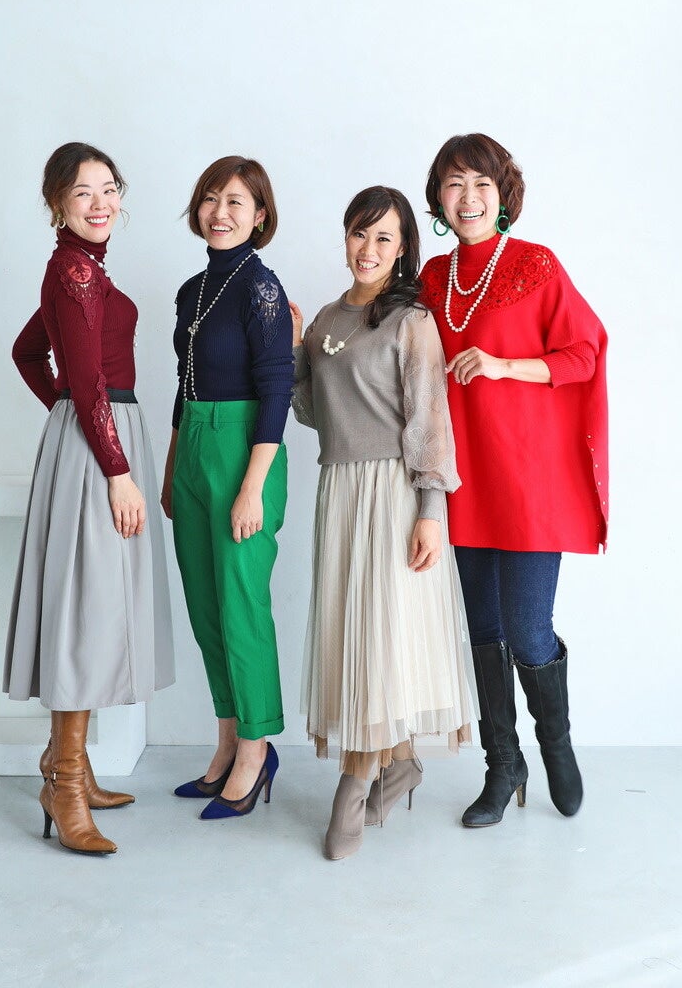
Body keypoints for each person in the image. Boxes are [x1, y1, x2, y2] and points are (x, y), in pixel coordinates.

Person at [420, 132, 607, 827]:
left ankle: (555, 745)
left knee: (528, 632)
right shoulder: (433, 278)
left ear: (502, 195)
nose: (467, 197)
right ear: (438, 198)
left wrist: (502, 366)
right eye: (453, 183)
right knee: (483, 630)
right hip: (463, 477)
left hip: (527, 478)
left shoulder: (535, 264)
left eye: (481, 184)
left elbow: (585, 352)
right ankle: (503, 766)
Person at [291, 186, 478, 860]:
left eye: (383, 238)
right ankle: (398, 766)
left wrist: (431, 510)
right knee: (356, 635)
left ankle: (352, 786)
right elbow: (312, 413)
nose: (367, 249)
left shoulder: (411, 320)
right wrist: (295, 351)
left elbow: (430, 421)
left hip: (394, 491)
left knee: (381, 636)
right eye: (358, 233)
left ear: (402, 250)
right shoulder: (324, 319)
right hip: (339, 490)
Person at [5, 142, 174, 855]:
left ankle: (65, 764)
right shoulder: (74, 271)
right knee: (85, 610)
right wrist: (114, 466)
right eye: (83, 193)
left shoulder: (82, 270)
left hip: (95, 438)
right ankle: (66, 784)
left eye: (109, 189)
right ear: (57, 204)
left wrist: (66, 413)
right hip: (103, 451)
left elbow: (28, 351)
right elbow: (85, 379)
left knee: (93, 607)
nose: (101, 203)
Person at [162, 156, 292, 820]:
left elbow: (277, 388)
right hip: (193, 446)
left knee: (241, 606)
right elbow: (183, 384)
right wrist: (170, 467)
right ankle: (224, 741)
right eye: (211, 198)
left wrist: (251, 487)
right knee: (205, 606)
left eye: (236, 201)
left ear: (260, 215)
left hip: (245, 450)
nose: (220, 212)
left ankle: (255, 747)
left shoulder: (260, 288)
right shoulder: (192, 290)